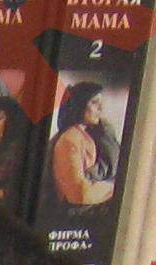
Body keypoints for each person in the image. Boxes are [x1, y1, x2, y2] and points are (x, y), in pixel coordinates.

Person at [47, 80, 120, 209]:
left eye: (101, 104)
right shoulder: (70, 140)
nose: (100, 109)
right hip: (72, 211)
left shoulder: (83, 135)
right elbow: (78, 193)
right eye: (95, 102)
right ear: (80, 104)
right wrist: (115, 189)